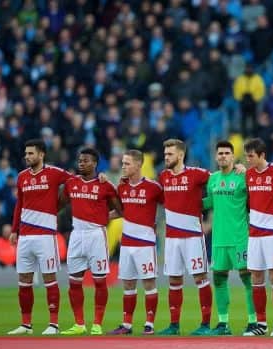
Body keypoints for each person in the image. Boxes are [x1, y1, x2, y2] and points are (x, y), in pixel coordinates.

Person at [7, 139, 74, 335]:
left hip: (46, 236)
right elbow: (20, 204)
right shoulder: (22, 177)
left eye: (30, 154)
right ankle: (25, 324)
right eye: (26, 154)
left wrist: (60, 203)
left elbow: (74, 183)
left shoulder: (53, 173)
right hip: (25, 236)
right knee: (24, 280)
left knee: (50, 279)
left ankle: (53, 324)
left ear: (41, 154)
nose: (27, 157)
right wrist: (14, 230)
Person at [59, 148, 121, 336]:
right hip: (77, 235)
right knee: (74, 281)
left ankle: (97, 324)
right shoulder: (71, 183)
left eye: (85, 160)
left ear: (94, 164)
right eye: (79, 160)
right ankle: (79, 324)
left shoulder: (105, 185)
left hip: (96, 235)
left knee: (99, 281)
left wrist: (104, 217)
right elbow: (59, 205)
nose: (81, 163)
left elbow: (121, 210)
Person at [158, 139, 213, 336]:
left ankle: (206, 324)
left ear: (180, 155)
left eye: (170, 154)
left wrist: (209, 214)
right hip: (172, 238)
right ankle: (174, 325)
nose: (166, 157)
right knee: (174, 280)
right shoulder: (163, 176)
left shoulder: (197, 174)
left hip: (192, 237)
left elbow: (218, 183)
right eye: (165, 154)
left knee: (200, 278)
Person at [204, 141, 257, 335]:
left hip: (239, 237)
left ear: (233, 157)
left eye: (227, 153)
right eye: (220, 153)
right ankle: (223, 323)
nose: (223, 156)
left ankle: (253, 321)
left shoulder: (243, 177)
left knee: (248, 279)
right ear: (216, 157)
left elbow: (256, 199)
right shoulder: (213, 180)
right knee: (218, 279)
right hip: (219, 239)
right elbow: (209, 204)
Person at [108, 150, 163, 335]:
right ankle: (127, 324)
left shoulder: (153, 188)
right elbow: (122, 211)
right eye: (123, 163)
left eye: (127, 163)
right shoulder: (121, 187)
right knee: (128, 284)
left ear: (139, 165)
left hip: (145, 244)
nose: (123, 166)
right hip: (127, 244)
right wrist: (101, 217)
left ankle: (149, 324)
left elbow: (169, 205)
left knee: (149, 284)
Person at [243, 138, 273, 336]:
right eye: (246, 156)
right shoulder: (248, 175)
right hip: (254, 233)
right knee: (256, 277)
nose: (248, 160)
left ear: (262, 155)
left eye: (251, 156)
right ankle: (261, 324)